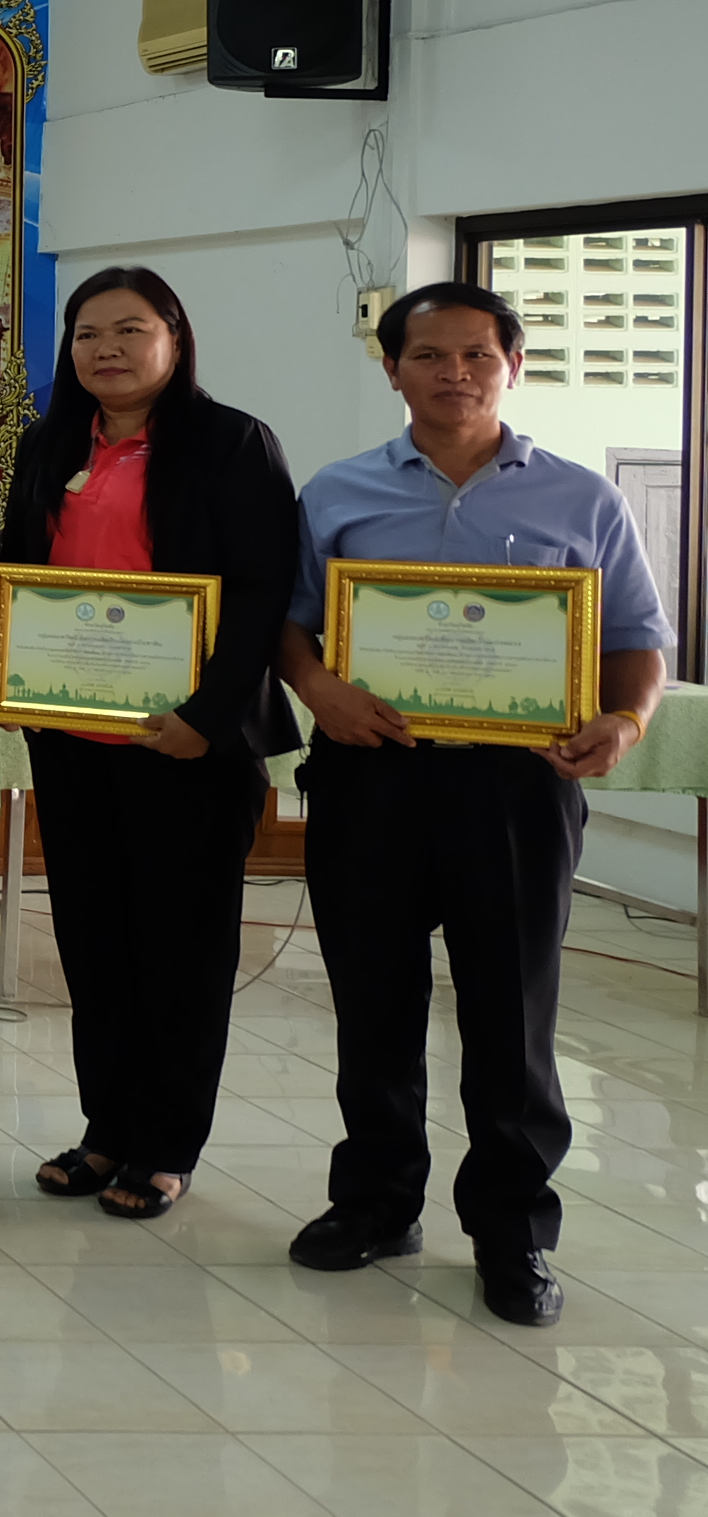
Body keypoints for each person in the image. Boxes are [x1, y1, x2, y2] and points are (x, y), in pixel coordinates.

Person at [278, 282, 668, 1326]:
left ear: (513, 366)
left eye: (477, 355)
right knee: (373, 1001)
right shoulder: (338, 491)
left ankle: (511, 1231)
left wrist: (625, 722)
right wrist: (319, 690)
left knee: (512, 1011)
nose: (454, 373)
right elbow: (295, 624)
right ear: (391, 369)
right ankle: (375, 1202)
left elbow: (636, 637)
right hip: (372, 775)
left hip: (516, 787)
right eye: (429, 355)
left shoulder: (582, 499)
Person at [0, 269, 301, 1221]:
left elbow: (262, 591)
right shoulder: (48, 443)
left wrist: (206, 716)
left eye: (130, 330)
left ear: (175, 336)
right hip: (74, 738)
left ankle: (168, 1144)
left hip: (186, 743)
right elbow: (18, 569)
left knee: (182, 946)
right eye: (89, 334)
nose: (108, 350)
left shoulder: (231, 442)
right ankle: (107, 1129)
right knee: (93, 941)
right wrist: (7, 662)